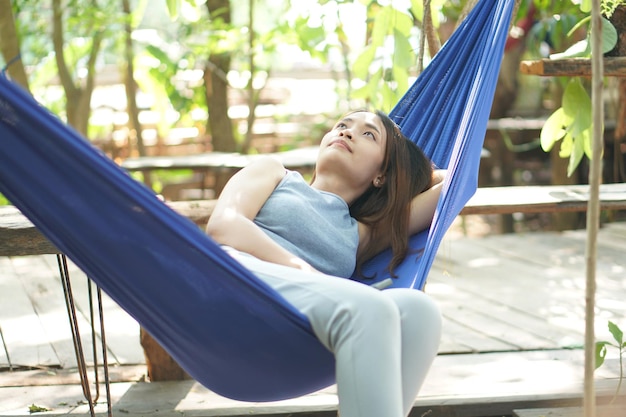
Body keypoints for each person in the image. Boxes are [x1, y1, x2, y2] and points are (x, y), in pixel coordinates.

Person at [206, 109, 445, 417]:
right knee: (371, 306)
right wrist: (301, 270)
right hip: (237, 286)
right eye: (341, 126)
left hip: (293, 329)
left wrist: (407, 171)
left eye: (368, 134)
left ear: (381, 175)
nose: (346, 132)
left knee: (420, 311)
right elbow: (223, 226)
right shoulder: (274, 173)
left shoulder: (362, 234)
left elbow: (453, 183)